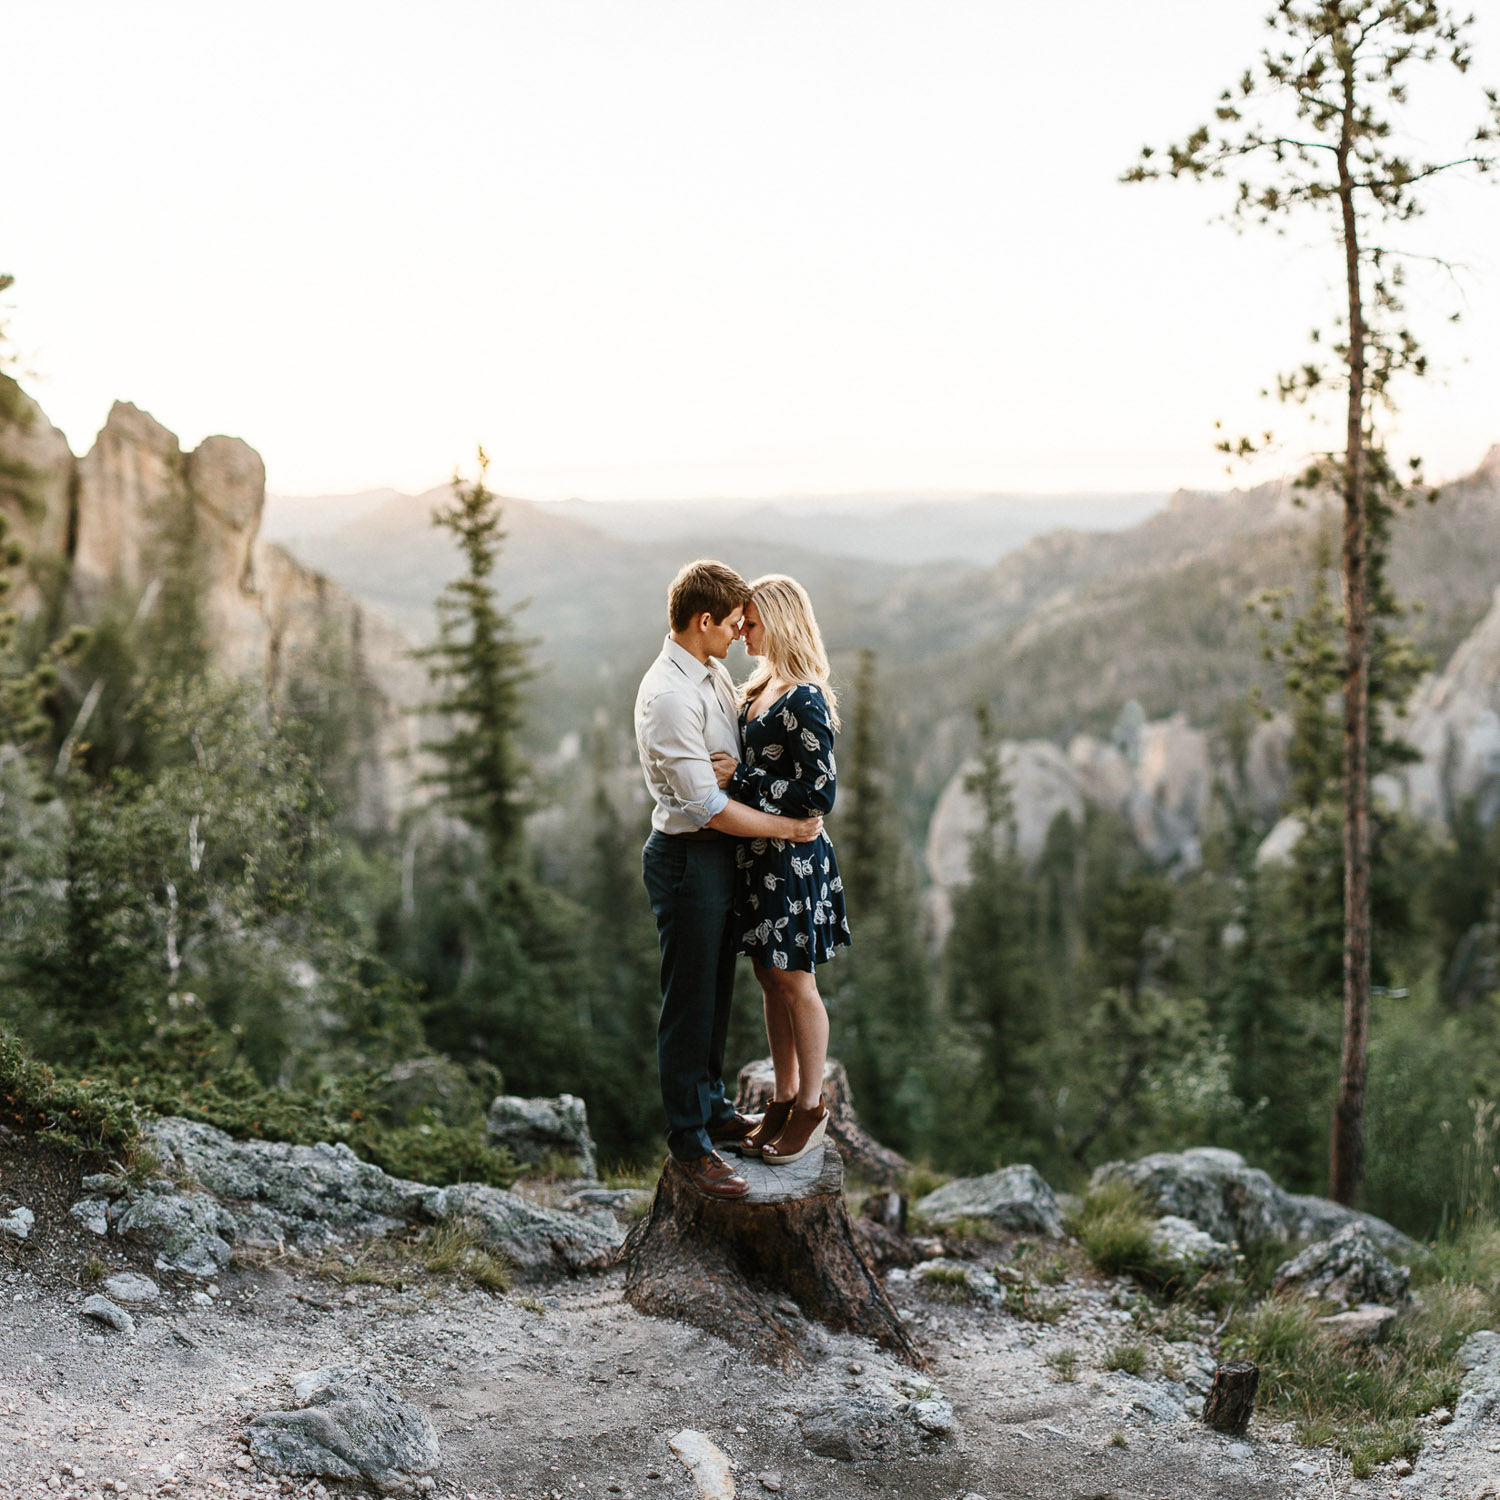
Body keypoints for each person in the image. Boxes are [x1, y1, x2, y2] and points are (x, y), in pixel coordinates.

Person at [635, 560, 825, 1201]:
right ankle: (691, 1143)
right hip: (689, 856)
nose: (742, 632)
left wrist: (764, 804)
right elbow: (706, 805)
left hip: (724, 858)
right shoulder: (669, 695)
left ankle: (713, 1110)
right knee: (688, 1003)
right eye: (735, 622)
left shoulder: (712, 672)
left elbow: (743, 767)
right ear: (704, 620)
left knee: (715, 995)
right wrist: (787, 830)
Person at [710, 574, 850, 1166]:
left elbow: (820, 794)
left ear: (780, 620)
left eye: (751, 621)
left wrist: (738, 779)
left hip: (791, 862)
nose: (742, 630)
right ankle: (785, 1096)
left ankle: (814, 1109)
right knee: (770, 979)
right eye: (739, 621)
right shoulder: (760, 687)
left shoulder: (804, 697)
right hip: (758, 857)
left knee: (796, 982)